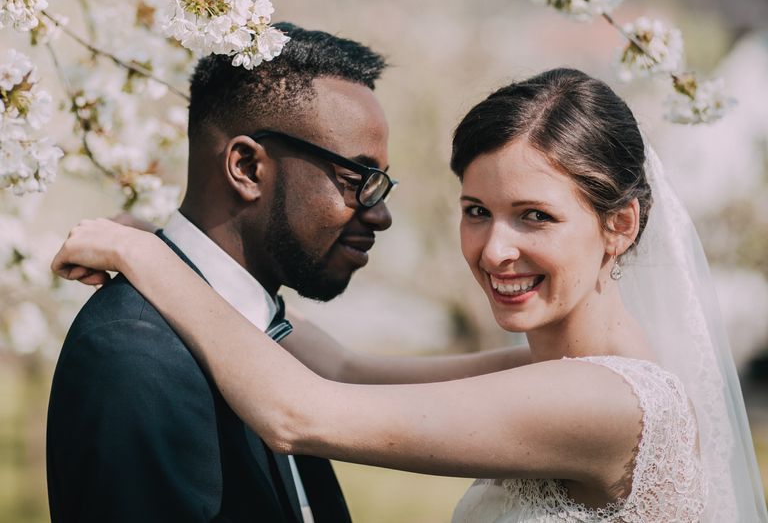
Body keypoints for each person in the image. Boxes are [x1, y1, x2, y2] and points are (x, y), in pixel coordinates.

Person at [52, 68, 768, 522]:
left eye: (536, 217)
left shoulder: (609, 406)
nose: (495, 250)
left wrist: (137, 254)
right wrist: (175, 251)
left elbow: (299, 411)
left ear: (619, 226)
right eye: (477, 210)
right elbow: (341, 369)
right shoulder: (559, 374)